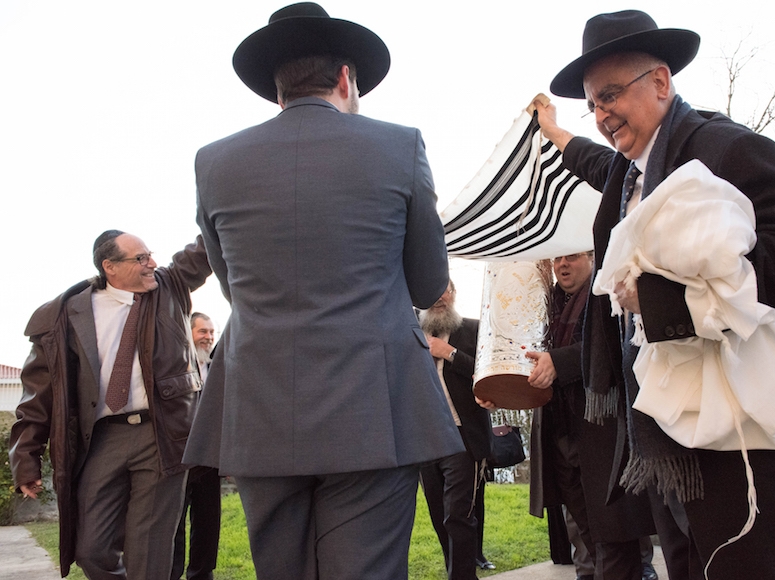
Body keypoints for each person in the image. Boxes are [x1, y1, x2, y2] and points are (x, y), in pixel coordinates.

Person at [535, 9, 775, 579]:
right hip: (672, 436)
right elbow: (600, 163)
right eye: (592, 105)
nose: (602, 115)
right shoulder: (631, 174)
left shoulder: (727, 149)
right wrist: (555, 133)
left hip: (746, 441)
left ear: (661, 82)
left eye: (611, 96)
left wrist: (661, 304)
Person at [181, 3, 461, 579]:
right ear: (344, 78)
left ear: (275, 89)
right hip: (372, 406)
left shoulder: (213, 162)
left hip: (261, 404)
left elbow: (234, 289)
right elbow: (430, 283)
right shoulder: (399, 145)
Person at [8, 231, 212, 579]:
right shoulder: (65, 314)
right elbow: (39, 392)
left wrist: (229, 202)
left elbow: (205, 248)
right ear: (110, 267)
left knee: (149, 554)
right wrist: (25, 457)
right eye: (140, 258)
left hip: (162, 436)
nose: (152, 263)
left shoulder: (170, 286)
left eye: (151, 254)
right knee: (91, 550)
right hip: (101, 440)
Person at [527, 250, 655, 580]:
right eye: (557, 260)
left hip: (605, 436)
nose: (562, 265)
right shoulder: (543, 305)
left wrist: (559, 362)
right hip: (562, 438)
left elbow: (614, 346)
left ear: (591, 257)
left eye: (570, 257)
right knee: (592, 537)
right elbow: (528, 357)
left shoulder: (609, 293)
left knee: (615, 540)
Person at [418, 280, 494, 580]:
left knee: (457, 515)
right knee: (439, 516)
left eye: (445, 289)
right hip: (425, 438)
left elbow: (488, 373)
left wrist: (448, 352)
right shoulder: (413, 335)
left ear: (454, 294)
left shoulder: (474, 330)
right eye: (432, 290)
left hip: (463, 436)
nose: (439, 296)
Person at [171, 312, 220, 580]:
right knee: (174, 525)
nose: (209, 337)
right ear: (188, 333)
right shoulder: (175, 364)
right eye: (203, 332)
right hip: (178, 457)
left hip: (209, 459)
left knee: (207, 525)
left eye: (212, 333)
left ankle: (202, 575)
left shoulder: (216, 367)